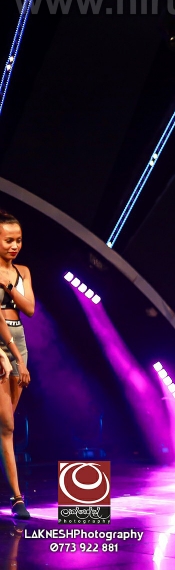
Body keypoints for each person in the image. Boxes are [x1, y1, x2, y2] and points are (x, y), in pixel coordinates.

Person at [0, 211, 34, 520]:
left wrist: (9, 287)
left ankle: (15, 497)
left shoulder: (22, 271)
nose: (14, 246)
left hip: (18, 341)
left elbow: (30, 308)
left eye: (18, 240)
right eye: (8, 240)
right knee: (7, 425)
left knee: (6, 424)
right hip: (1, 345)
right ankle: (17, 497)